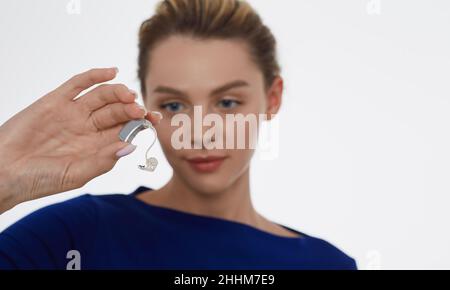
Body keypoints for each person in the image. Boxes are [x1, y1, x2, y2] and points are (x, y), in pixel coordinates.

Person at [0, 0, 356, 269]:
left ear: (272, 98)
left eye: (228, 102)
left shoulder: (326, 265)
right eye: (173, 106)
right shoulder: (74, 235)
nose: (200, 133)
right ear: (146, 104)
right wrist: (4, 176)